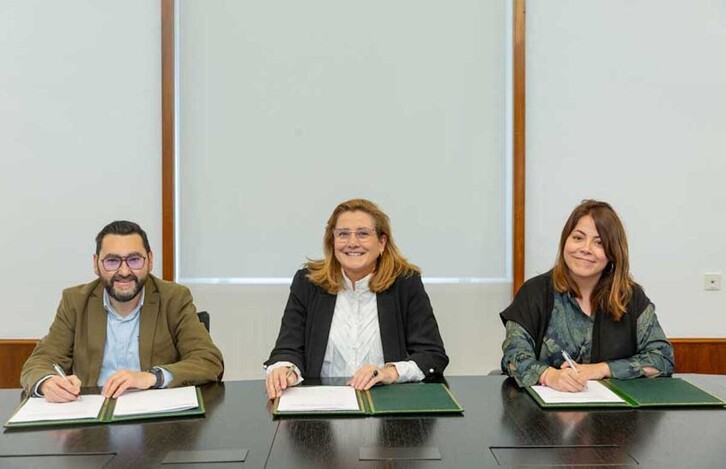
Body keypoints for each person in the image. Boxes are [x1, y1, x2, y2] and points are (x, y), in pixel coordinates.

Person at [264, 199, 448, 399]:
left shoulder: (405, 284)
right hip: (322, 407)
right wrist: (285, 370)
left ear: (381, 243)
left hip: (388, 406)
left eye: (363, 234)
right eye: (343, 234)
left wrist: (388, 372)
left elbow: (432, 355)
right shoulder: (308, 283)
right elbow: (288, 349)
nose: (352, 243)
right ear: (332, 242)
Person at [21, 220, 224, 402]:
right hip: (92, 423)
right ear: (96, 264)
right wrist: (47, 383)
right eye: (112, 261)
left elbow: (208, 360)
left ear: (150, 260)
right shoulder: (75, 301)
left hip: (157, 420)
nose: (124, 271)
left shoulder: (174, 298)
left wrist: (151, 377)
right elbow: (39, 362)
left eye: (134, 260)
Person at [500, 200, 674, 392]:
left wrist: (601, 369)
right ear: (565, 241)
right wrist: (551, 376)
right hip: (540, 415)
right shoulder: (535, 292)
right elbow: (513, 357)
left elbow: (662, 358)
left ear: (613, 253)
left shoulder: (630, 297)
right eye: (578, 238)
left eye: (599, 243)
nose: (586, 248)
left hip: (614, 416)